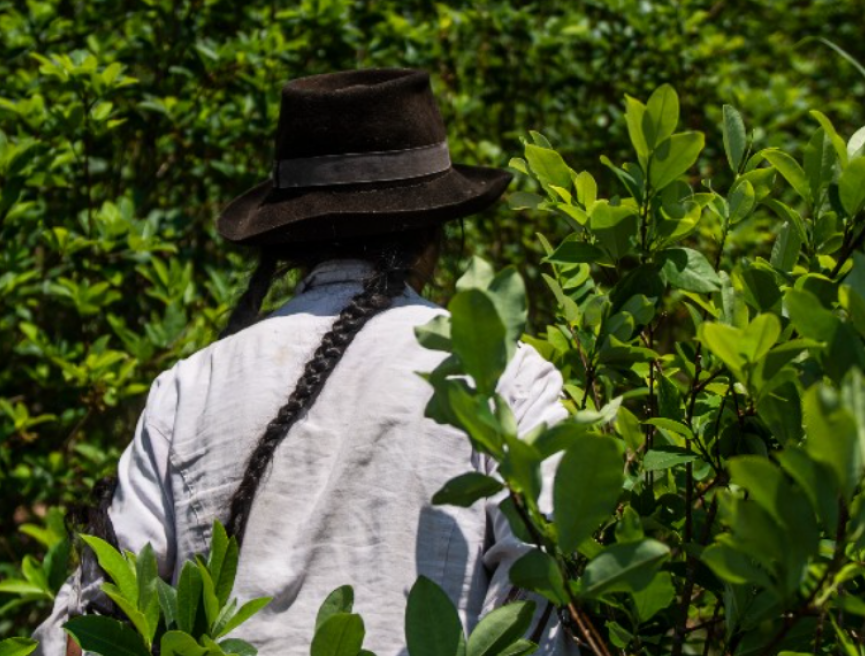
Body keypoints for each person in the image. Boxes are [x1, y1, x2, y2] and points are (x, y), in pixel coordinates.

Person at [32, 68, 575, 656]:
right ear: (435, 233)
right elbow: (547, 586)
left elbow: (91, 625)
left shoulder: (189, 389)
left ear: (288, 239)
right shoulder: (504, 376)